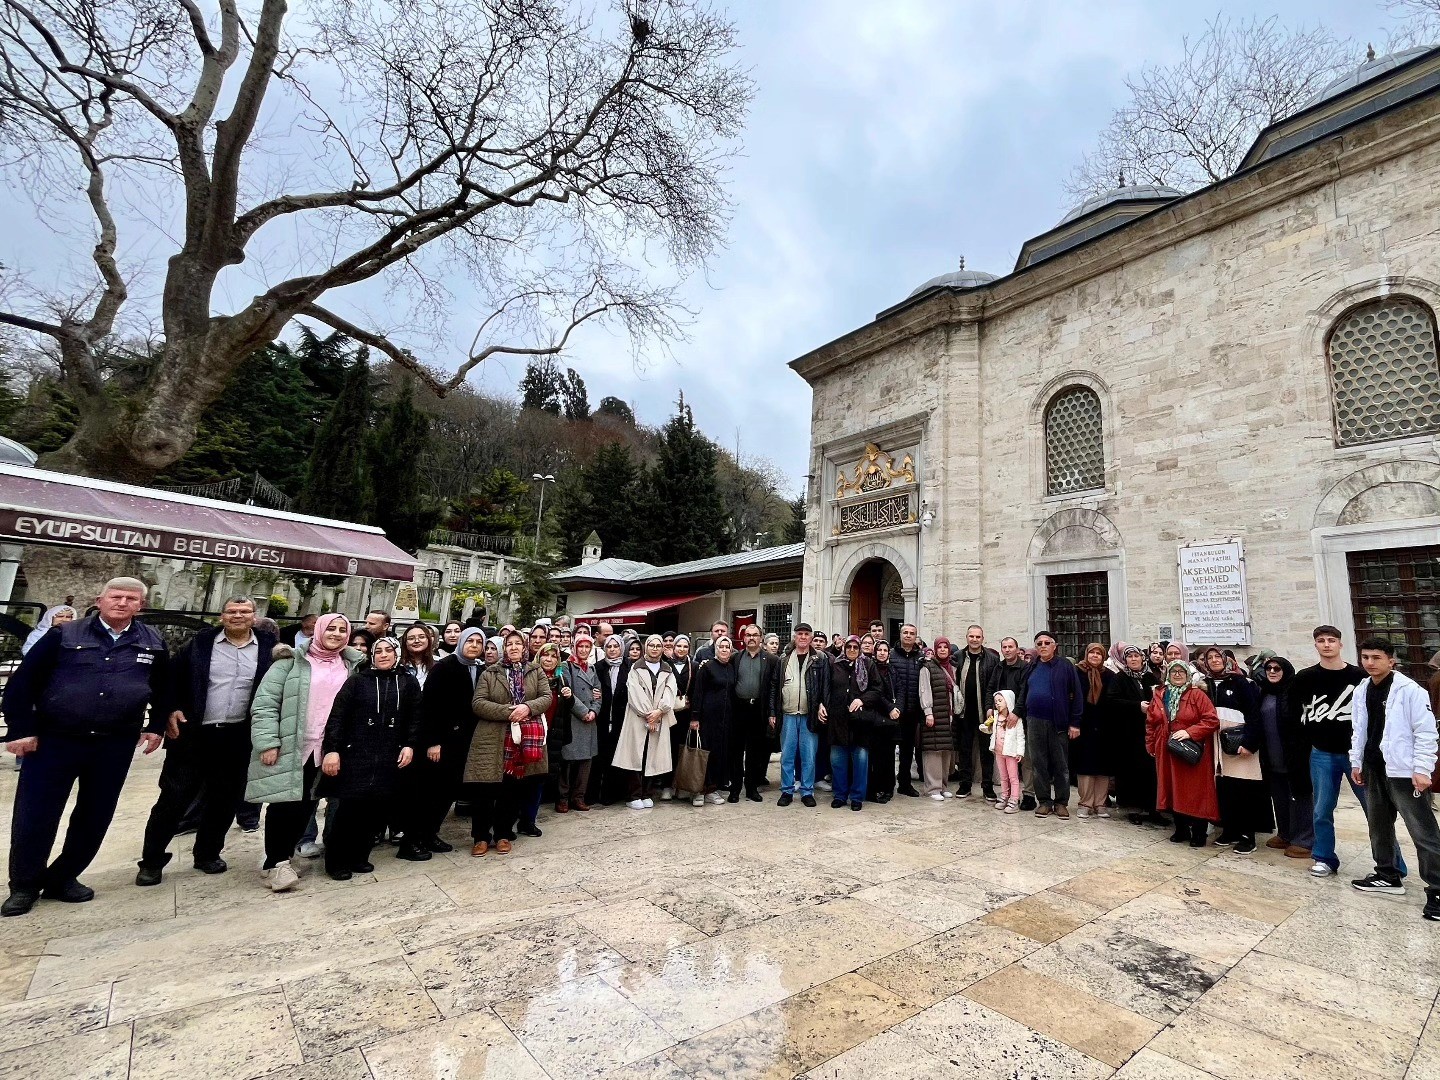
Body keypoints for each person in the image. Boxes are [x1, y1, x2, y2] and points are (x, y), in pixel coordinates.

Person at [2, 578, 169, 916]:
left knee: (95, 815)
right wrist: (21, 729)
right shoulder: (64, 635)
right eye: (116, 596)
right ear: (100, 600)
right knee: (36, 815)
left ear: (141, 605)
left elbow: (164, 688)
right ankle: (24, 885)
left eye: (130, 598)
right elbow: (23, 684)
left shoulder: (153, 642)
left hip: (114, 744)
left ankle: (64, 877)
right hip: (55, 741)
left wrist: (155, 726)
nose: (122, 603)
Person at [136, 597, 278, 886]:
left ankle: (208, 853)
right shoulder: (200, 643)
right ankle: (151, 861)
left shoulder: (268, 646)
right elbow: (170, 679)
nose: (238, 616)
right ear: (222, 616)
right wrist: (170, 709)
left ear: (254, 616)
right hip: (194, 732)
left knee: (224, 799)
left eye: (245, 612)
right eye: (232, 612)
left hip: (238, 734)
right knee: (173, 798)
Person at [244, 613, 364, 891]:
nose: (335, 634)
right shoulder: (290, 662)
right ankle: (274, 863)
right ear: (318, 631)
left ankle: (286, 854)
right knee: (284, 804)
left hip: (328, 748)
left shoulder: (351, 665)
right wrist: (267, 742)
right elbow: (265, 704)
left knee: (308, 804)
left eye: (341, 629)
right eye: (330, 628)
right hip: (291, 744)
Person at [1292, 625, 1401, 879]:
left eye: (1331, 640)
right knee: (1321, 809)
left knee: (1375, 810)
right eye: (1321, 640)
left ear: (1341, 644)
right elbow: (1295, 714)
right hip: (1321, 752)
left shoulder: (1359, 677)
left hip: (1357, 755)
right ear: (1316, 645)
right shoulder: (1305, 677)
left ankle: (1392, 865)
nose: (1327, 644)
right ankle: (1324, 857)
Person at [1347, 638, 1440, 920]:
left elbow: (1426, 732)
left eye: (1376, 657)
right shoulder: (1362, 689)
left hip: (1403, 772)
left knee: (1423, 831)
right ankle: (1387, 874)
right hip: (1374, 768)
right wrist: (1356, 761)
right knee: (1378, 825)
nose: (1370, 662)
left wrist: (1423, 769)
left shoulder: (1410, 691)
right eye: (1365, 657)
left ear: (1391, 660)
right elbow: (1359, 729)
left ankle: (1437, 888)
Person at [318, 637, 421, 879]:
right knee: (349, 810)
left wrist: (410, 744)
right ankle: (336, 861)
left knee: (375, 810)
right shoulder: (357, 681)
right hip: (357, 753)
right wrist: (332, 749)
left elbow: (415, 717)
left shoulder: (407, 681)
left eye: (388, 650)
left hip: (389, 755)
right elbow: (338, 716)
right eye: (379, 651)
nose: (383, 655)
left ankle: (359, 857)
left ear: (397, 653)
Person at [467, 630, 552, 855]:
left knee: (512, 788)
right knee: (485, 789)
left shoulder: (535, 671)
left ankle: (503, 834)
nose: (514, 647)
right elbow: (478, 703)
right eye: (509, 644)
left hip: (523, 738)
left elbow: (546, 697)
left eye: (517, 643)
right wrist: (508, 711)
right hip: (492, 737)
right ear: (504, 648)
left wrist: (528, 707)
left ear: (524, 648)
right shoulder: (490, 673)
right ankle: (481, 837)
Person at [408, 626, 487, 859]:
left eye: (478, 642)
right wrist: (433, 741)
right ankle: (413, 841)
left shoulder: (479, 669)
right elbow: (430, 706)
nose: (474, 645)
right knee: (429, 792)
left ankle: (430, 834)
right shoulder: (444, 667)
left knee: (446, 792)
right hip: (441, 741)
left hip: (463, 742)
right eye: (469, 641)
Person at [1200, 646, 1270, 854]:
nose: (1214, 660)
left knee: (1244, 789)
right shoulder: (1207, 684)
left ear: (1226, 659)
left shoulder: (1241, 682)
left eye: (1217, 656)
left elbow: (1254, 714)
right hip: (1216, 743)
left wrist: (1250, 742)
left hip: (1239, 740)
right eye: (1209, 657)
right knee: (1224, 787)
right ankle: (1229, 830)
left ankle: (1248, 835)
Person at [1147, 659, 1220, 847]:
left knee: (1195, 791)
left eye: (1181, 671)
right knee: (1172, 788)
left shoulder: (1197, 695)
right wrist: (1151, 745)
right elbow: (1151, 722)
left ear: (1188, 675)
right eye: (1173, 672)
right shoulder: (1161, 694)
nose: (1177, 674)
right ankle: (1180, 829)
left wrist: (1189, 732)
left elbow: (1211, 720)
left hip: (1191, 750)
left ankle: (1198, 831)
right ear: (1168, 675)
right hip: (1167, 749)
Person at [1017, 630, 1085, 818]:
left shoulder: (1065, 666)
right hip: (1034, 721)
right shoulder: (1032, 666)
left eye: (1047, 643)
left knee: (1060, 764)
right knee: (1038, 763)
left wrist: (1075, 723)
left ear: (1054, 646)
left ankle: (1061, 802)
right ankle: (1044, 802)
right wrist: (1018, 713)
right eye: (1039, 643)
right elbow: (1024, 691)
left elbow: (1077, 695)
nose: (1043, 646)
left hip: (1058, 722)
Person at [1254, 655, 1312, 858]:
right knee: (1279, 797)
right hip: (1272, 755)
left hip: (1294, 755)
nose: (1272, 671)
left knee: (1300, 797)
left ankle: (1304, 839)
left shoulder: (1295, 692)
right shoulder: (1265, 692)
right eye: (1268, 668)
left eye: (1277, 668)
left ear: (1285, 671)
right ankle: (1285, 833)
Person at [614, 635, 678, 808]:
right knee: (635, 756)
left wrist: (659, 711)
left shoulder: (667, 669)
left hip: (659, 717)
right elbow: (633, 693)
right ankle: (633, 795)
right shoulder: (636, 667)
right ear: (646, 647)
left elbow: (670, 692)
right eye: (652, 645)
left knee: (652, 757)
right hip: (637, 718)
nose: (655, 648)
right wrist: (648, 714)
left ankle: (647, 793)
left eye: (658, 645)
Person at [826, 636, 885, 811]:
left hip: (860, 721)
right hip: (838, 719)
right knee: (838, 760)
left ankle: (857, 797)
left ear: (860, 648)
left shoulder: (868, 665)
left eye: (855, 647)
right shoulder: (835, 665)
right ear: (844, 648)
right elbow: (827, 688)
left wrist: (862, 700)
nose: (852, 650)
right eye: (849, 646)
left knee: (860, 760)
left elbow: (877, 689)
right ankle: (840, 795)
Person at [1107, 644, 1164, 825]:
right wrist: (1136, 706)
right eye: (1129, 656)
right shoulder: (1119, 678)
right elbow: (1112, 701)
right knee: (1131, 771)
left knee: (1150, 771)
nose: (1133, 659)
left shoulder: (1149, 677)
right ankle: (1133, 809)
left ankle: (1153, 809)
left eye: (1136, 656)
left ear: (1142, 658)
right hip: (1128, 733)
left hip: (1149, 732)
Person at [777, 622, 828, 808]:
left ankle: (807, 791)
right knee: (787, 756)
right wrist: (773, 712)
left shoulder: (819, 659)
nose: (803, 637)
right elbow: (776, 686)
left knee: (809, 756)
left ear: (811, 637)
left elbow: (824, 686)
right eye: (800, 634)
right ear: (795, 636)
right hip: (788, 714)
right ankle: (786, 791)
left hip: (809, 714)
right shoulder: (783, 659)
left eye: (807, 634)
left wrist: (823, 704)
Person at [729, 624, 780, 803]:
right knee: (736, 752)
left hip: (758, 710)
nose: (751, 638)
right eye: (748, 635)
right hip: (738, 710)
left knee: (754, 752)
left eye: (755, 635)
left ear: (761, 638)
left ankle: (751, 788)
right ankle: (735, 789)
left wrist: (772, 712)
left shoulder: (771, 660)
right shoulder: (735, 658)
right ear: (743, 638)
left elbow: (774, 688)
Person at [521, 643, 567, 836]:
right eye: (545, 655)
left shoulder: (561, 680)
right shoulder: (529, 677)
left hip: (548, 738)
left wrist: (569, 697)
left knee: (538, 781)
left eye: (553, 656)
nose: (549, 659)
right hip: (527, 736)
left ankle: (528, 821)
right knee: (521, 780)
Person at [952, 626, 1000, 801]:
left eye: (977, 636)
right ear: (966, 638)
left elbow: (995, 685)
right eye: (971, 636)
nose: (974, 639)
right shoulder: (957, 657)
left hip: (984, 713)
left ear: (982, 638)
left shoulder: (992, 659)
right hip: (963, 713)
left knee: (986, 751)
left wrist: (993, 708)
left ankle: (987, 786)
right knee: (964, 750)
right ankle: (965, 784)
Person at [692, 634, 738, 804]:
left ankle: (712, 789)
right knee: (705, 753)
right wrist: (695, 717)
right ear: (715, 649)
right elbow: (698, 692)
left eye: (727, 647)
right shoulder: (707, 667)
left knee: (720, 754)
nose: (724, 650)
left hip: (726, 720)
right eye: (721, 647)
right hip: (707, 719)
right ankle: (699, 790)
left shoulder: (732, 667)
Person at [1072, 642, 1116, 819]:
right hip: (1084, 724)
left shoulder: (1110, 676)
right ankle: (1085, 803)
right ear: (1086, 654)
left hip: (1104, 725)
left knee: (1103, 766)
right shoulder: (1078, 673)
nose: (1095, 656)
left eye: (1099, 653)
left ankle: (1100, 803)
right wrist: (1073, 722)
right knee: (1085, 765)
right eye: (1092, 653)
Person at [559, 631, 600, 813]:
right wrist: (583, 712)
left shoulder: (591, 668)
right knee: (567, 762)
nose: (583, 650)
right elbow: (565, 690)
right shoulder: (565, 665)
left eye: (587, 647)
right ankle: (563, 798)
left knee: (586, 762)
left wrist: (594, 710)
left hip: (590, 721)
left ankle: (579, 797)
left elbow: (598, 692)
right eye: (580, 646)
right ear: (574, 647)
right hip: (573, 719)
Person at [588, 634, 631, 806]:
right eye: (609, 647)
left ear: (622, 648)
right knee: (598, 757)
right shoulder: (597, 667)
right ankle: (592, 794)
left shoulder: (629, 667)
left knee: (616, 757)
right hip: (601, 718)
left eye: (616, 646)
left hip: (622, 719)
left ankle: (611, 794)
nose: (612, 650)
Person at [994, 636, 1035, 811]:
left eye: (1011, 647)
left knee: (1024, 758)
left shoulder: (1025, 668)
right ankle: (1007, 794)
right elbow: (992, 688)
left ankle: (1028, 795)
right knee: (1004, 758)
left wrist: (1016, 712)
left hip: (1021, 718)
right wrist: (991, 707)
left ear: (1017, 649)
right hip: (1002, 718)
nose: (1007, 650)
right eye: (1004, 647)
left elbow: (1024, 691)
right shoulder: (999, 667)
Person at [918, 638, 959, 800]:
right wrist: (928, 712)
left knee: (945, 751)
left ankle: (943, 785)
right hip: (934, 714)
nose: (942, 650)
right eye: (939, 647)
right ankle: (932, 788)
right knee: (932, 751)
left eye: (945, 647)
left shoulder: (953, 667)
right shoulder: (927, 667)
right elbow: (924, 690)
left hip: (949, 715)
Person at [890, 624, 926, 798]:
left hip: (912, 711)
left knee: (906, 751)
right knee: (889, 750)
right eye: (906, 632)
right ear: (900, 634)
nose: (909, 636)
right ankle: (888, 783)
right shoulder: (890, 655)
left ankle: (904, 783)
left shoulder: (921, 657)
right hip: (893, 711)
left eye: (912, 633)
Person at [662, 635, 696, 800]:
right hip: (668, 713)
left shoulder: (694, 666)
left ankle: (682, 785)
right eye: (679, 646)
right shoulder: (666, 665)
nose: (681, 649)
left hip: (686, 714)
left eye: (685, 646)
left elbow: (697, 691)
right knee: (669, 749)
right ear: (673, 647)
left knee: (684, 750)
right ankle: (667, 785)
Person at [868, 640, 902, 802]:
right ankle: (875, 788)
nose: (882, 653)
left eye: (885, 650)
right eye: (879, 650)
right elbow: (875, 693)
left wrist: (898, 708)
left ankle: (888, 788)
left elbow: (900, 690)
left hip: (891, 719)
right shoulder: (870, 669)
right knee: (875, 757)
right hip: (876, 717)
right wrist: (889, 708)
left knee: (888, 757)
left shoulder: (892, 671)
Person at [988, 689, 1024, 813]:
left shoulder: (1015, 719)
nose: (997, 703)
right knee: (1003, 777)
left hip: (1011, 752)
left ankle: (1014, 799)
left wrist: (1020, 752)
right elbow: (993, 732)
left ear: (1008, 701)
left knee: (1013, 777)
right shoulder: (996, 717)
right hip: (999, 752)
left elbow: (1020, 736)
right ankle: (1004, 796)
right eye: (995, 701)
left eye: (1000, 700)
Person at [400, 623, 439, 688]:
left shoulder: (440, 664)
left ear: (428, 640)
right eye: (411, 638)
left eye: (422, 637)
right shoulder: (398, 665)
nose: (417, 641)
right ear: (405, 642)